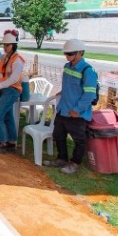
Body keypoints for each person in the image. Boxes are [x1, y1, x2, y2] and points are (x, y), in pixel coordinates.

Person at [43, 39, 98, 174]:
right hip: (63, 109)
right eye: (66, 54)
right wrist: (63, 92)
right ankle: (61, 159)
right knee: (58, 135)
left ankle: (75, 163)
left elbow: (89, 95)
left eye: (70, 54)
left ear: (80, 53)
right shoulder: (67, 66)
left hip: (76, 113)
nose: (67, 56)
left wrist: (77, 110)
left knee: (79, 140)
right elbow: (70, 85)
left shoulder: (88, 70)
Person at [0, 30, 25, 153]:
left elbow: (14, 78)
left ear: (13, 45)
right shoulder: (4, 57)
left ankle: (3, 142)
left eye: (7, 45)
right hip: (4, 89)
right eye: (4, 45)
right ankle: (11, 142)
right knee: (8, 117)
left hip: (12, 90)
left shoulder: (18, 60)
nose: (4, 47)